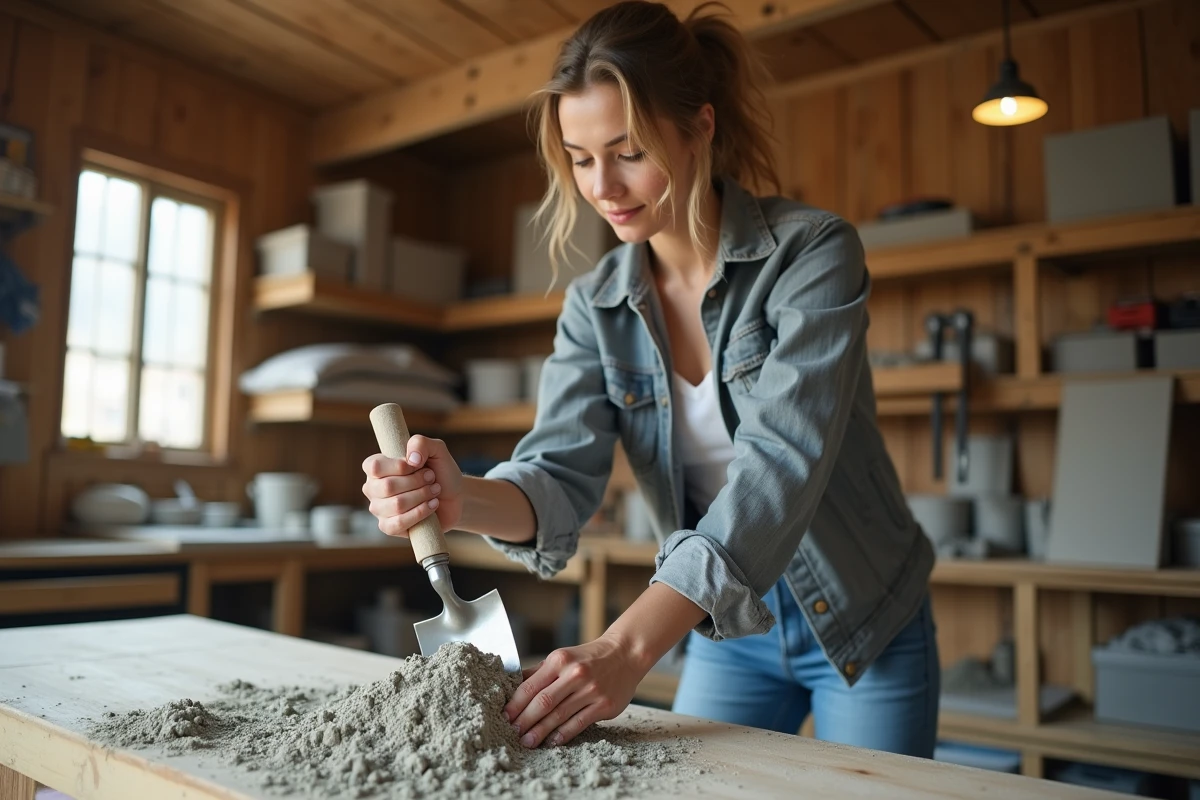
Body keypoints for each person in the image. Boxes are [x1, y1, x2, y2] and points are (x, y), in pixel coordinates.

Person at [362, 0, 939, 758]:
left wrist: (628, 649)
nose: (602, 185)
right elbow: (559, 479)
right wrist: (456, 494)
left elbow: (782, 465)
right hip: (727, 624)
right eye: (579, 155)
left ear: (699, 127)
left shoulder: (812, 254)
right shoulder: (594, 306)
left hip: (866, 616)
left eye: (628, 150)